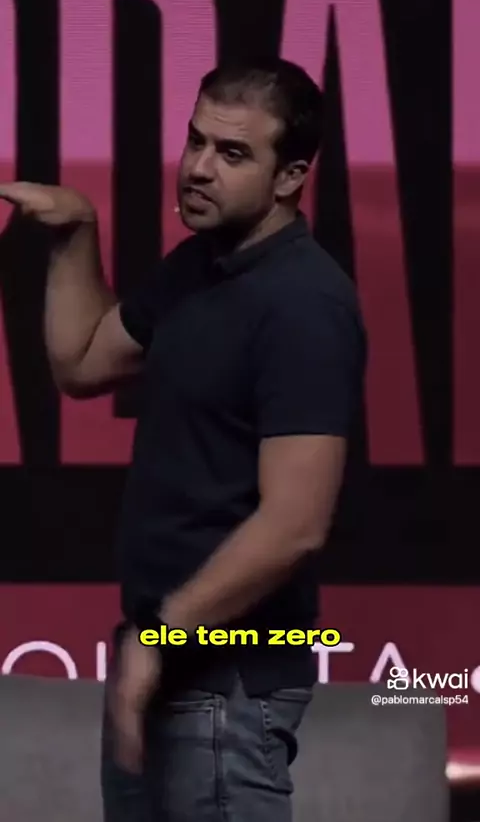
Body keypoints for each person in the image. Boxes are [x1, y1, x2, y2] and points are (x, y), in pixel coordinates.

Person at [0, 57, 367, 821]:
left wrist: (161, 637)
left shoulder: (306, 304)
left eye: (232, 153)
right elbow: (82, 362)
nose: (198, 168)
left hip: (226, 682)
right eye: (196, 141)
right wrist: (77, 232)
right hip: (164, 663)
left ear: (291, 176)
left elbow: (295, 524)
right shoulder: (200, 267)